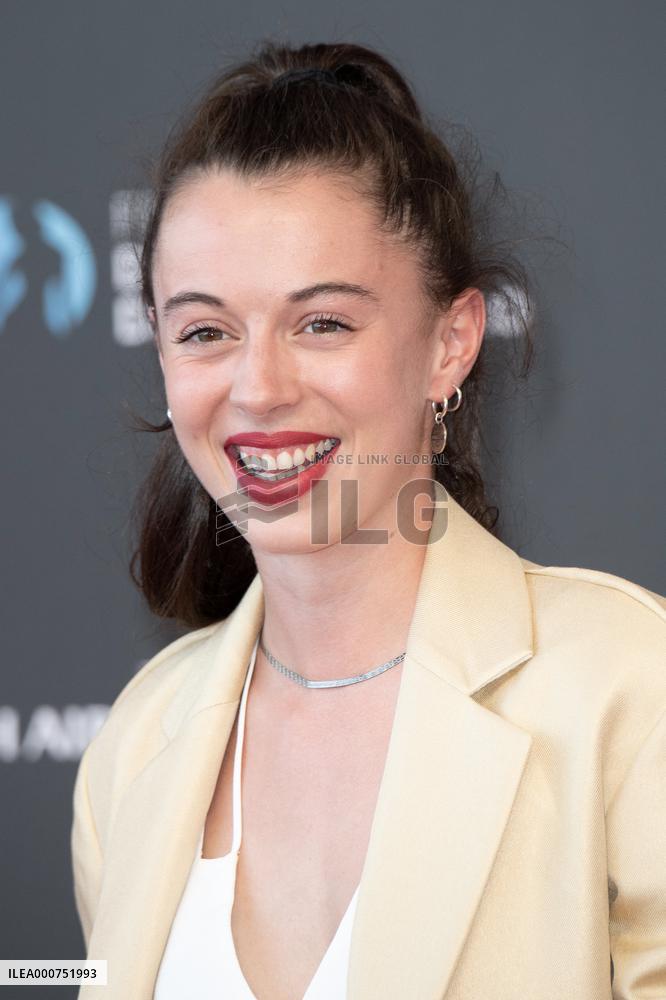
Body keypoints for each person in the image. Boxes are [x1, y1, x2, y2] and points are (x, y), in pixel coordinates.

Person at [71, 40, 666, 1000]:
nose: (258, 388)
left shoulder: (631, 696)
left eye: (323, 323)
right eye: (206, 332)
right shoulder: (136, 748)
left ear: (449, 344)